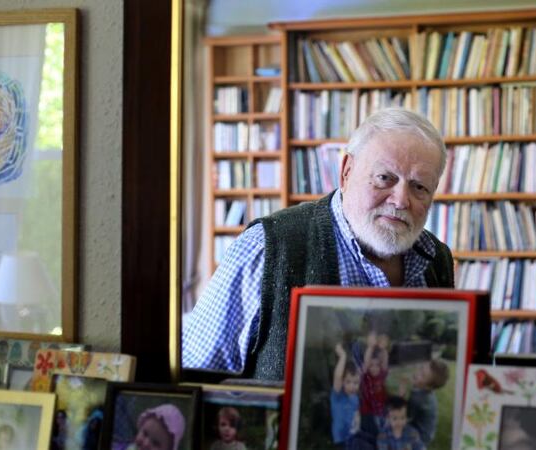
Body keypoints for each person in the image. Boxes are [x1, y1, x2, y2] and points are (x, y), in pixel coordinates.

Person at [183, 108, 454, 382]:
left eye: (419, 187)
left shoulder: (436, 259)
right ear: (346, 172)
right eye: (385, 178)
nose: (400, 200)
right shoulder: (267, 248)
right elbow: (195, 381)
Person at [400, 358, 449, 445]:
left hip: (420, 436)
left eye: (422, 375)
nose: (417, 373)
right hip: (427, 430)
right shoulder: (424, 390)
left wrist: (401, 395)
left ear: (428, 387)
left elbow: (404, 417)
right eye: (421, 368)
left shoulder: (418, 399)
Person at [359, 331, 390, 435]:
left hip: (382, 410)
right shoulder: (366, 377)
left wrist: (383, 348)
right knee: (374, 433)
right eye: (372, 365)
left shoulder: (382, 374)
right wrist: (371, 347)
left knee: (384, 431)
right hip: (369, 412)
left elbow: (384, 361)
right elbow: (366, 361)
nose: (375, 368)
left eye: (377, 365)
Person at [330, 342, 360, 447]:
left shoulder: (355, 398)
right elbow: (338, 376)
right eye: (348, 382)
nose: (352, 386)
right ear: (342, 382)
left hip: (352, 437)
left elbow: (356, 414)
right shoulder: (338, 395)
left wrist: (356, 426)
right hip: (340, 440)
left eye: (356, 383)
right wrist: (343, 356)